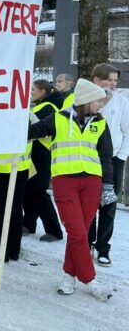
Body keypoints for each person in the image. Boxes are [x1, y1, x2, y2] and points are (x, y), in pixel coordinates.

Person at [28, 78, 114, 301]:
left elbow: (106, 158)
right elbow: (30, 132)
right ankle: (90, 280)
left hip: (92, 183)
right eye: (98, 101)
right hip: (65, 181)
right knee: (76, 232)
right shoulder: (57, 119)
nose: (101, 104)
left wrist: (108, 186)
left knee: (81, 233)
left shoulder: (100, 123)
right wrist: (16, 116)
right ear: (86, 101)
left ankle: (69, 276)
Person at [88, 63, 129, 267]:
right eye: (109, 80)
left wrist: (121, 157)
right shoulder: (87, 100)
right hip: (89, 159)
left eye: (115, 80)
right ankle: (87, 243)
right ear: (96, 80)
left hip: (113, 160)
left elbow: (128, 131)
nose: (113, 84)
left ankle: (103, 247)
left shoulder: (122, 102)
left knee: (109, 204)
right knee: (89, 203)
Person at [23, 79, 64, 242]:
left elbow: (40, 130)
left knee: (39, 191)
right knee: (29, 189)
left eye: (33, 90)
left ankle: (54, 230)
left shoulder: (48, 108)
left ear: (42, 92)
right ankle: (28, 224)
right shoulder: (40, 106)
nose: (30, 93)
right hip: (33, 153)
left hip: (42, 154)